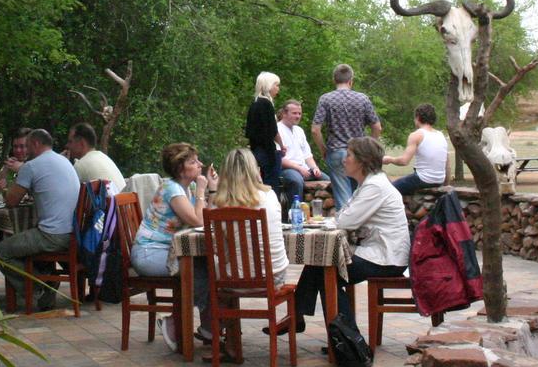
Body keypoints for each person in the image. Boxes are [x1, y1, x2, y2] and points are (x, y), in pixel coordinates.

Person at [286, 136, 409, 332]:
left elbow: (345, 220)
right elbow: (345, 215)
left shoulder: (375, 186)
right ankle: (316, 326)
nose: (344, 159)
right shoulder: (368, 184)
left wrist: (338, 217)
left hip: (385, 258)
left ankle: (344, 338)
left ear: (363, 161)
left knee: (326, 273)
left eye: (349, 155)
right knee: (321, 265)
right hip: (378, 253)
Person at [130, 141, 212, 349]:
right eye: (194, 162)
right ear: (180, 168)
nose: (200, 164)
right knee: (199, 270)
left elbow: (205, 214)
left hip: (169, 250)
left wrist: (211, 190)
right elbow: (198, 221)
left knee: (206, 266)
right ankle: (182, 322)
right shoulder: (172, 189)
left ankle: (207, 326)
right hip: (150, 253)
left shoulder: (187, 187)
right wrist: (203, 191)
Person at [0, 129, 81, 311]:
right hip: (73, 232)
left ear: (35, 144)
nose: (25, 151)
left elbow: (11, 201)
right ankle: (45, 280)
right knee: (22, 242)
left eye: (26, 146)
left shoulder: (32, 166)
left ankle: (40, 287)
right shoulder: (63, 161)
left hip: (52, 235)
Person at [210, 149, 290, 345]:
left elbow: (217, 246)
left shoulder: (220, 205)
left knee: (205, 270)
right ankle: (226, 337)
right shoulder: (269, 195)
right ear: (255, 169)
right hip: (275, 274)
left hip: (235, 279)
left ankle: (218, 332)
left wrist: (212, 191)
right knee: (222, 267)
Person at [312, 64, 382, 211]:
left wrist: (323, 149)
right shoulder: (362, 99)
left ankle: (347, 231)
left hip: (336, 152)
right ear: (351, 80)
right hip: (359, 153)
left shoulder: (326, 99)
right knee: (360, 195)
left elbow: (315, 130)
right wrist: (370, 148)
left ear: (334, 80)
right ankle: (360, 231)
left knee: (344, 200)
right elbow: (377, 127)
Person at [384, 103, 448, 195]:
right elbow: (447, 164)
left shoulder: (416, 135)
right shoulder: (441, 135)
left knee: (388, 192)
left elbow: (404, 161)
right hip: (439, 180)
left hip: (423, 179)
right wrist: (446, 185)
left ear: (417, 118)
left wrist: (389, 159)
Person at [244, 71, 285, 194]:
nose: (278, 88)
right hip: (268, 151)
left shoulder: (254, 104)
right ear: (268, 85)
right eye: (276, 85)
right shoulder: (266, 104)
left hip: (256, 151)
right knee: (271, 185)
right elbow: (273, 131)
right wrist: (282, 146)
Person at [278, 99, 324, 203]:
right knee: (296, 181)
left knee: (328, 180)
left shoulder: (299, 131)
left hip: (305, 169)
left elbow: (307, 155)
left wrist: (314, 167)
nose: (298, 116)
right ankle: (295, 214)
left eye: (299, 113)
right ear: (284, 113)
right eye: (294, 113)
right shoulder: (277, 130)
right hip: (286, 169)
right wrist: (299, 168)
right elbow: (279, 158)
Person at [65, 122, 126, 187]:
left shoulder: (81, 165)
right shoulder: (104, 157)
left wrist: (64, 163)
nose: (67, 145)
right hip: (126, 197)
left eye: (70, 142)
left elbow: (66, 192)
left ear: (82, 143)